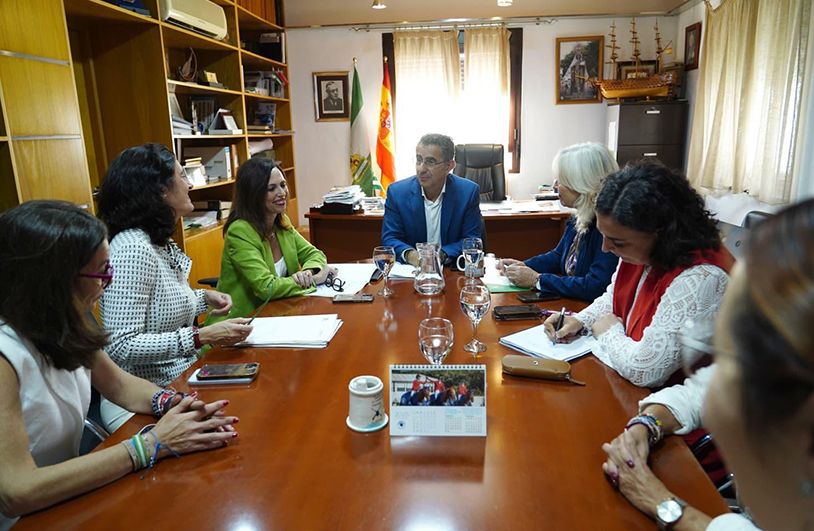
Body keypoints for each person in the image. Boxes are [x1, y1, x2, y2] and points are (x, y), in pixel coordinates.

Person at [0, 201, 238, 529]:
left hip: (64, 502)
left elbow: (120, 385)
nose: (108, 281)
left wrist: (177, 405)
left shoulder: (62, 324)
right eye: (100, 271)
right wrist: (151, 444)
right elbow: (17, 491)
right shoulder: (5, 356)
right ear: (52, 281)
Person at [601, 198, 814, 530]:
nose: (713, 405)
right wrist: (648, 423)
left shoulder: (701, 274)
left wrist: (662, 504)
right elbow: (700, 389)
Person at [97, 143, 252, 430]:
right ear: (160, 191)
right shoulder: (132, 248)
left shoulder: (158, 242)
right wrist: (200, 336)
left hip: (177, 380)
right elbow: (120, 344)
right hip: (140, 397)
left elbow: (159, 307)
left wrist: (204, 298)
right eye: (182, 175)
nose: (190, 183)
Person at [544, 161, 731, 387]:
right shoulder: (640, 251)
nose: (605, 248)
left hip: (680, 409)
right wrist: (579, 321)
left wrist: (608, 331)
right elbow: (613, 300)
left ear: (661, 232)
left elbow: (646, 370)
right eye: (604, 235)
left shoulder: (702, 277)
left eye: (617, 241)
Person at [211, 158, 331, 322]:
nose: (282, 193)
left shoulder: (281, 222)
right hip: (242, 323)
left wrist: (308, 273)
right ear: (253, 194)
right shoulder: (240, 231)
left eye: (282, 185)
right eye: (271, 188)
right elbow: (266, 288)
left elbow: (314, 254)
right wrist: (315, 280)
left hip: (278, 315)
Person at [499, 142, 619, 301]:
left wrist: (538, 280)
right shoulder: (580, 215)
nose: (555, 186)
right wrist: (524, 266)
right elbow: (558, 256)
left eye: (560, 180)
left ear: (580, 184)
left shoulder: (608, 228)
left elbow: (596, 286)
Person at [382, 133, 484, 266]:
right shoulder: (397, 193)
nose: (421, 168)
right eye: (419, 159)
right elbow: (390, 238)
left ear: (449, 166)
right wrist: (411, 255)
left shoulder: (468, 193)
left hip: (450, 272)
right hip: (411, 272)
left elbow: (472, 240)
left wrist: (441, 255)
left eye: (430, 162)